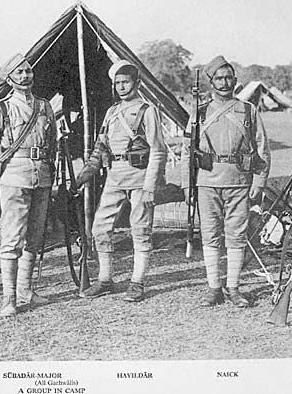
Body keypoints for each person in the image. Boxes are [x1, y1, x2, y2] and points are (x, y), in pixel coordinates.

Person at [181, 55, 271, 307]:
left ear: (235, 80)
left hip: (239, 181)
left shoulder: (248, 111)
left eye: (228, 77)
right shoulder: (198, 113)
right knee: (209, 235)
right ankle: (214, 288)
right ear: (211, 82)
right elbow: (187, 152)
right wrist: (187, 186)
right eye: (219, 78)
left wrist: (259, 182)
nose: (224, 82)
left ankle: (233, 288)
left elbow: (262, 149)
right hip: (207, 182)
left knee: (236, 235)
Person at [76, 60, 168, 302]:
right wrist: (86, 172)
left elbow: (158, 150)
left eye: (125, 82)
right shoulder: (111, 111)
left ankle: (137, 282)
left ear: (137, 84)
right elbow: (100, 146)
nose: (121, 87)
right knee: (100, 228)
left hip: (140, 176)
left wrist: (150, 187)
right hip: (115, 176)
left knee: (140, 230)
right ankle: (105, 279)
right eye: (117, 83)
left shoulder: (148, 111)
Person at [0, 53, 56, 317]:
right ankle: (9, 298)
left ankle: (26, 291)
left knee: (35, 236)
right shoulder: (1, 108)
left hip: (42, 175)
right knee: (12, 238)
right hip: (14, 176)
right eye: (19, 72)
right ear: (10, 79)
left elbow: (52, 142)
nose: (26, 76)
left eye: (28, 71)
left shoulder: (45, 107)